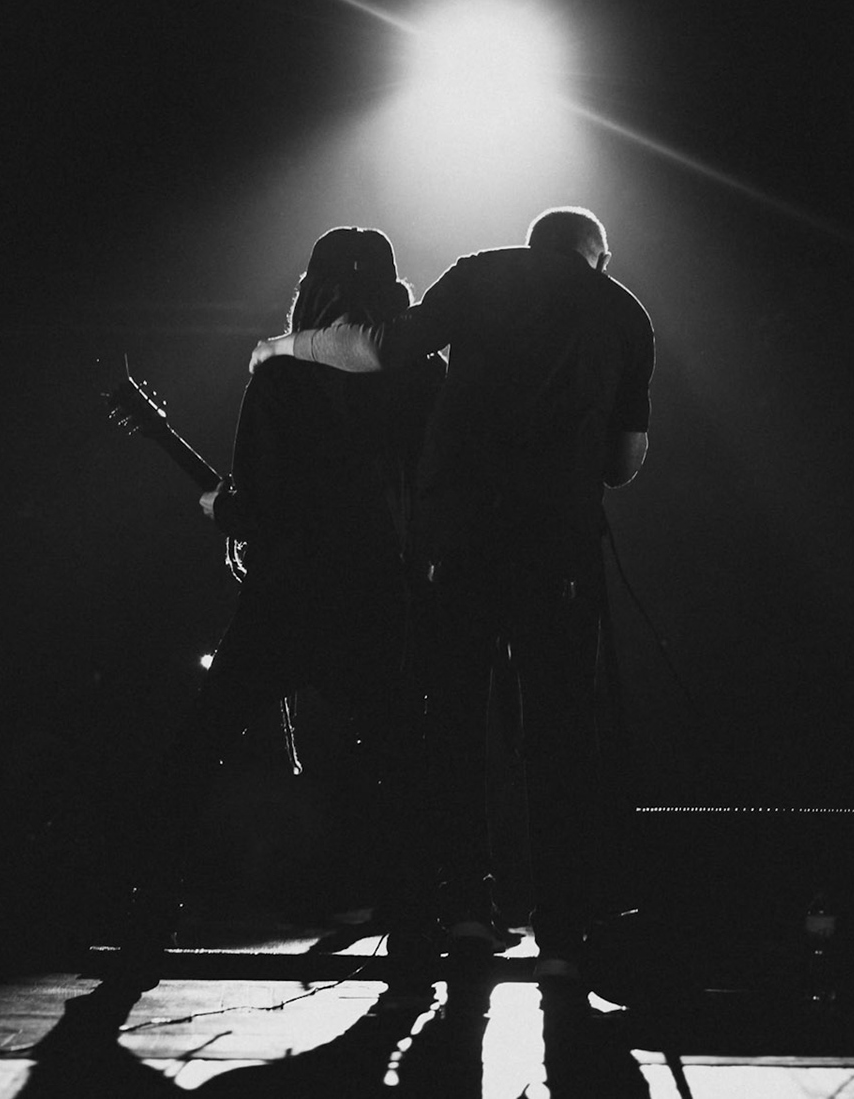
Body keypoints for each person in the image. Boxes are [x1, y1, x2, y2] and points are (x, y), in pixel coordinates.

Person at [248, 206, 654, 989]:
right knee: (560, 734)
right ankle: (563, 933)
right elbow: (622, 463)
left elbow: (381, 351)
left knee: (454, 725)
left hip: (458, 544)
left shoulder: (480, 274)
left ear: (534, 243)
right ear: (597, 257)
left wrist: (285, 346)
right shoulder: (623, 311)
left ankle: (467, 913)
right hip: (556, 551)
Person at [119, 227, 444, 980]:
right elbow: (436, 485)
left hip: (289, 593)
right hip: (378, 588)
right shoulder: (422, 374)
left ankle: (150, 906)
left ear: (313, 286)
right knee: (403, 757)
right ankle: (417, 917)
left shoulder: (280, 373)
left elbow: (261, 504)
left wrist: (223, 512)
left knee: (200, 747)